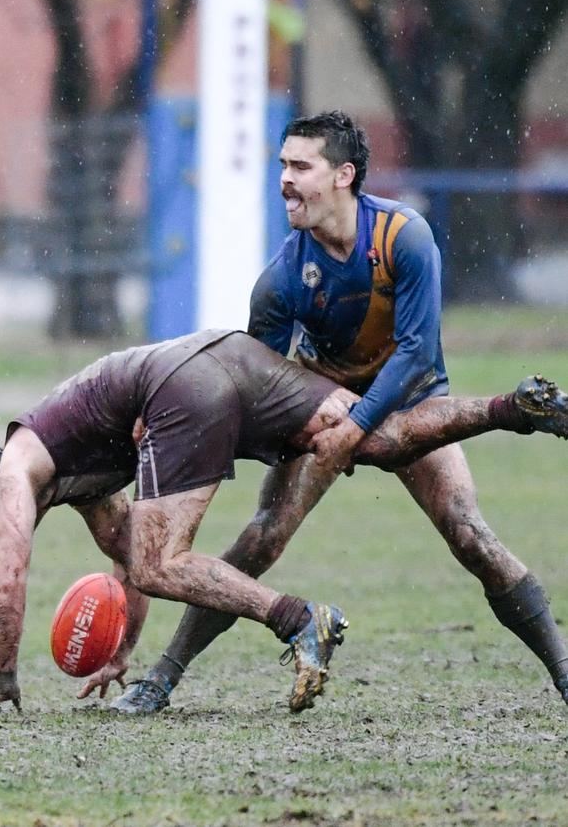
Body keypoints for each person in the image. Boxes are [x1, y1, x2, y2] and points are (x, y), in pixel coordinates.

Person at [120, 110, 568, 715]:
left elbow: (415, 353)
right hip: (320, 406)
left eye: (299, 166)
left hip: (413, 404)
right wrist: (183, 428)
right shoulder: (281, 280)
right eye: (281, 165)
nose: (284, 179)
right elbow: (259, 383)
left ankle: (564, 674)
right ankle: (159, 682)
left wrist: (358, 425)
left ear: (343, 175)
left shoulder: (403, 236)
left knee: (471, 536)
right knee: (261, 537)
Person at [0, 327, 566, 717]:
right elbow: (126, 552)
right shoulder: (71, 476)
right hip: (225, 354)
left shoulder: (14, 472)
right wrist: (123, 649)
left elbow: (10, 580)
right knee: (374, 438)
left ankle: (299, 620)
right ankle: (512, 408)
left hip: (179, 388)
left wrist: (4, 679)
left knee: (165, 562)